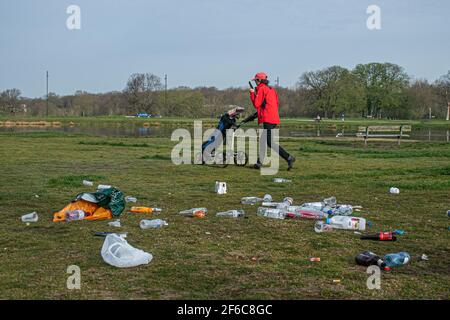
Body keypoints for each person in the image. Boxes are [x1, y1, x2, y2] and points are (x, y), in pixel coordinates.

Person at [249, 72, 295, 171]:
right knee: (264, 140)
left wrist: (252, 93)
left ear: (260, 80)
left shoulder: (261, 89)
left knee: (269, 142)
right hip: (274, 118)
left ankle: (289, 157)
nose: (255, 82)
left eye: (256, 80)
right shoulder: (271, 89)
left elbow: (256, 104)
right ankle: (259, 162)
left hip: (268, 118)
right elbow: (275, 103)